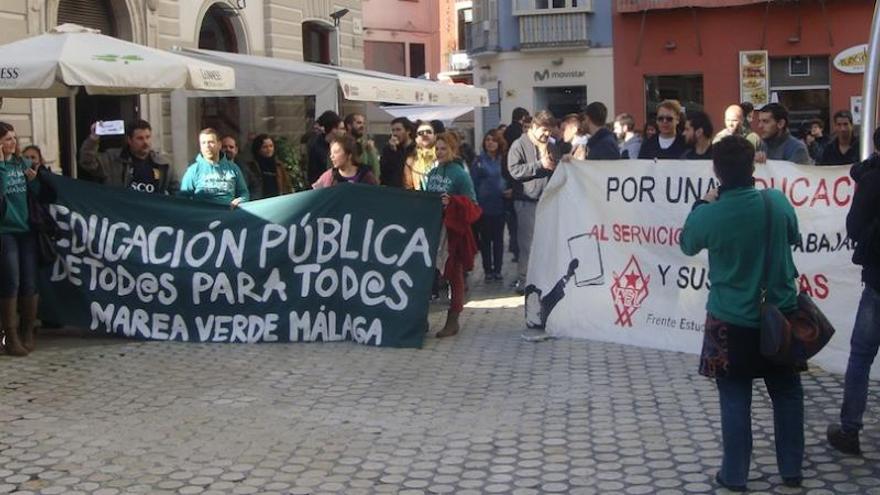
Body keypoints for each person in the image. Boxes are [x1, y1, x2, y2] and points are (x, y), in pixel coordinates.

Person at [681, 135, 804, 492]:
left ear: (716, 171)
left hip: (729, 319)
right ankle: (792, 469)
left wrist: (699, 205)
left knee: (735, 396)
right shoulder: (776, 202)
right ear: (753, 167)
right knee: (787, 392)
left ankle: (734, 475)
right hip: (780, 314)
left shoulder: (711, 213)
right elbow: (794, 235)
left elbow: (687, 243)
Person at [826, 126, 880, 456]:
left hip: (877, 281)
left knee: (860, 356)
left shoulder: (873, 180)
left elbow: (853, 227)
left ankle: (850, 430)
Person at [425, 132, 479, 338]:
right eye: (437, 148)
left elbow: (473, 204)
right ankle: (422, 319)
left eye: (443, 148)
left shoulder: (460, 174)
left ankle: (453, 318)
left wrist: (453, 202)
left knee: (454, 274)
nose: (439, 152)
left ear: (452, 150)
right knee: (429, 273)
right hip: (433, 229)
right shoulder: (432, 172)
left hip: (453, 232)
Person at [508, 110, 559, 295]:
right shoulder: (519, 144)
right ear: (535, 127)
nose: (547, 134)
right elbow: (514, 170)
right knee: (527, 245)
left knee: (545, 243)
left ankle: (542, 279)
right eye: (544, 130)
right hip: (526, 202)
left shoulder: (551, 145)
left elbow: (555, 166)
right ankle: (524, 281)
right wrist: (539, 165)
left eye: (549, 131)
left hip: (547, 201)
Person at [0, 122, 40, 356]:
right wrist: (2, 166)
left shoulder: (22, 164)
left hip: (27, 230)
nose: (12, 143)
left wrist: (34, 182)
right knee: (11, 281)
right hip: (5, 231)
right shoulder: (5, 167)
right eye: (6, 139)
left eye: (14, 138)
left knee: (29, 282)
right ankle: (10, 335)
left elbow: (38, 195)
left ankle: (27, 330)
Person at [79, 119, 178, 194]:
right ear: (129, 140)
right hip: (122, 216)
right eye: (140, 138)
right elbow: (87, 162)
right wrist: (93, 138)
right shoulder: (113, 159)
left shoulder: (164, 164)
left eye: (148, 137)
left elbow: (176, 192)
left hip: (152, 216)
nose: (146, 142)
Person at [179, 128, 250, 208]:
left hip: (229, 216)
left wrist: (239, 200)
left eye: (211, 142)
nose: (207, 146)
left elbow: (244, 193)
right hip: (203, 217)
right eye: (203, 143)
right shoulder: (193, 170)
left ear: (219, 145)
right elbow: (183, 198)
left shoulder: (233, 168)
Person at [471, 129, 507, 282]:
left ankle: (498, 269)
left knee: (498, 239)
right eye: (487, 140)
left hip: (500, 204)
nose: (490, 143)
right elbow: (473, 183)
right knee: (485, 240)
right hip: (483, 206)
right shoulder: (479, 161)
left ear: (499, 142)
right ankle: (487, 270)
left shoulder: (503, 160)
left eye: (493, 140)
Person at [312, 134, 378, 189]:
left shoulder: (366, 176)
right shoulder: (329, 177)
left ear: (349, 155)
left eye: (336, 152)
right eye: (331, 153)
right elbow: (315, 195)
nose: (332, 156)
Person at [244, 134, 293, 199]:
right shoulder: (252, 166)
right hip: (260, 202)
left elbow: (287, 185)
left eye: (271, 146)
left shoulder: (279, 165)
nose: (269, 149)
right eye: (265, 147)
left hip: (278, 201)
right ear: (258, 149)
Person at [307, 110, 345, 185]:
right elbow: (313, 173)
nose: (344, 132)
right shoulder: (316, 147)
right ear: (333, 130)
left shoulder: (343, 144)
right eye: (341, 128)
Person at [344, 113, 381, 181]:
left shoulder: (366, 145)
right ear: (349, 126)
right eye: (359, 123)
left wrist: (371, 151)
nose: (362, 126)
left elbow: (376, 170)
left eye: (363, 123)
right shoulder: (340, 145)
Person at [380, 117, 415, 187]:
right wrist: (392, 151)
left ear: (408, 131)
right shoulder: (388, 149)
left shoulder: (415, 148)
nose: (395, 133)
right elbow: (384, 171)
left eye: (398, 130)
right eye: (393, 130)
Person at [403, 121, 438, 190]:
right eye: (420, 133)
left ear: (435, 137)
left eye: (428, 132)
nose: (425, 134)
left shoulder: (444, 156)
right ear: (416, 139)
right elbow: (408, 186)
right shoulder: (411, 160)